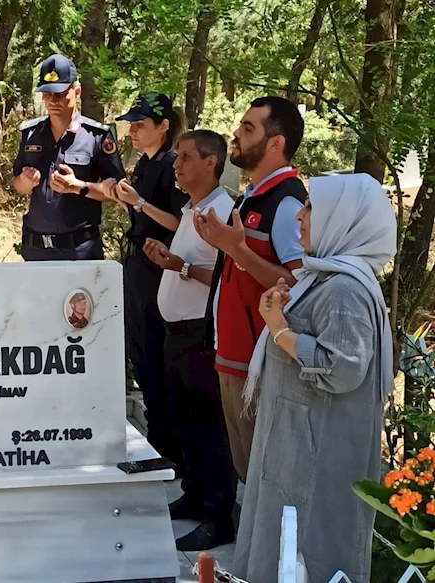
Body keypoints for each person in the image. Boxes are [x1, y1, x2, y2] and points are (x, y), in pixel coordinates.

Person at [234, 174, 396, 583]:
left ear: (342, 221)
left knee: (309, 552)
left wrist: (280, 330)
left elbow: (342, 368)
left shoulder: (345, 290)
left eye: (310, 209)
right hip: (296, 446)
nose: (300, 218)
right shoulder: (324, 277)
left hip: (316, 456)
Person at [194, 96, 307, 483]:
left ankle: (265, 545)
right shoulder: (252, 196)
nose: (236, 135)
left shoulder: (287, 201)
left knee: (266, 476)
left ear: (276, 144)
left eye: (248, 129)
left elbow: (299, 284)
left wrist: (235, 249)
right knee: (248, 474)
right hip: (233, 357)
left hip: (260, 366)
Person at [142, 130, 236, 551]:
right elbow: (186, 265)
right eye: (176, 156)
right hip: (177, 331)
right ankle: (195, 494)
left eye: (185, 157)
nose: (176, 164)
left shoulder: (221, 211)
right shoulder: (192, 208)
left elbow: (223, 276)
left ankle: (218, 516)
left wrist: (178, 268)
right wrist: (168, 261)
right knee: (185, 418)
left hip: (202, 332)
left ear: (211, 162)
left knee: (209, 424)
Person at [108, 92, 189, 471]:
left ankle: (169, 451)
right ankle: (159, 447)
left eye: (141, 125)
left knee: (157, 360)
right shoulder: (144, 163)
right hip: (138, 266)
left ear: (164, 126)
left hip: (161, 271)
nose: (133, 132)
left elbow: (179, 222)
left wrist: (139, 203)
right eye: (131, 124)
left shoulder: (174, 166)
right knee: (141, 357)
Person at [12, 54, 126, 260]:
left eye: (60, 93)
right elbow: (18, 187)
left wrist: (77, 186)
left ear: (77, 92)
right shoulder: (30, 134)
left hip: (79, 249)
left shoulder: (96, 136)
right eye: (47, 94)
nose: (53, 100)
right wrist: (25, 182)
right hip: (36, 248)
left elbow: (118, 191)